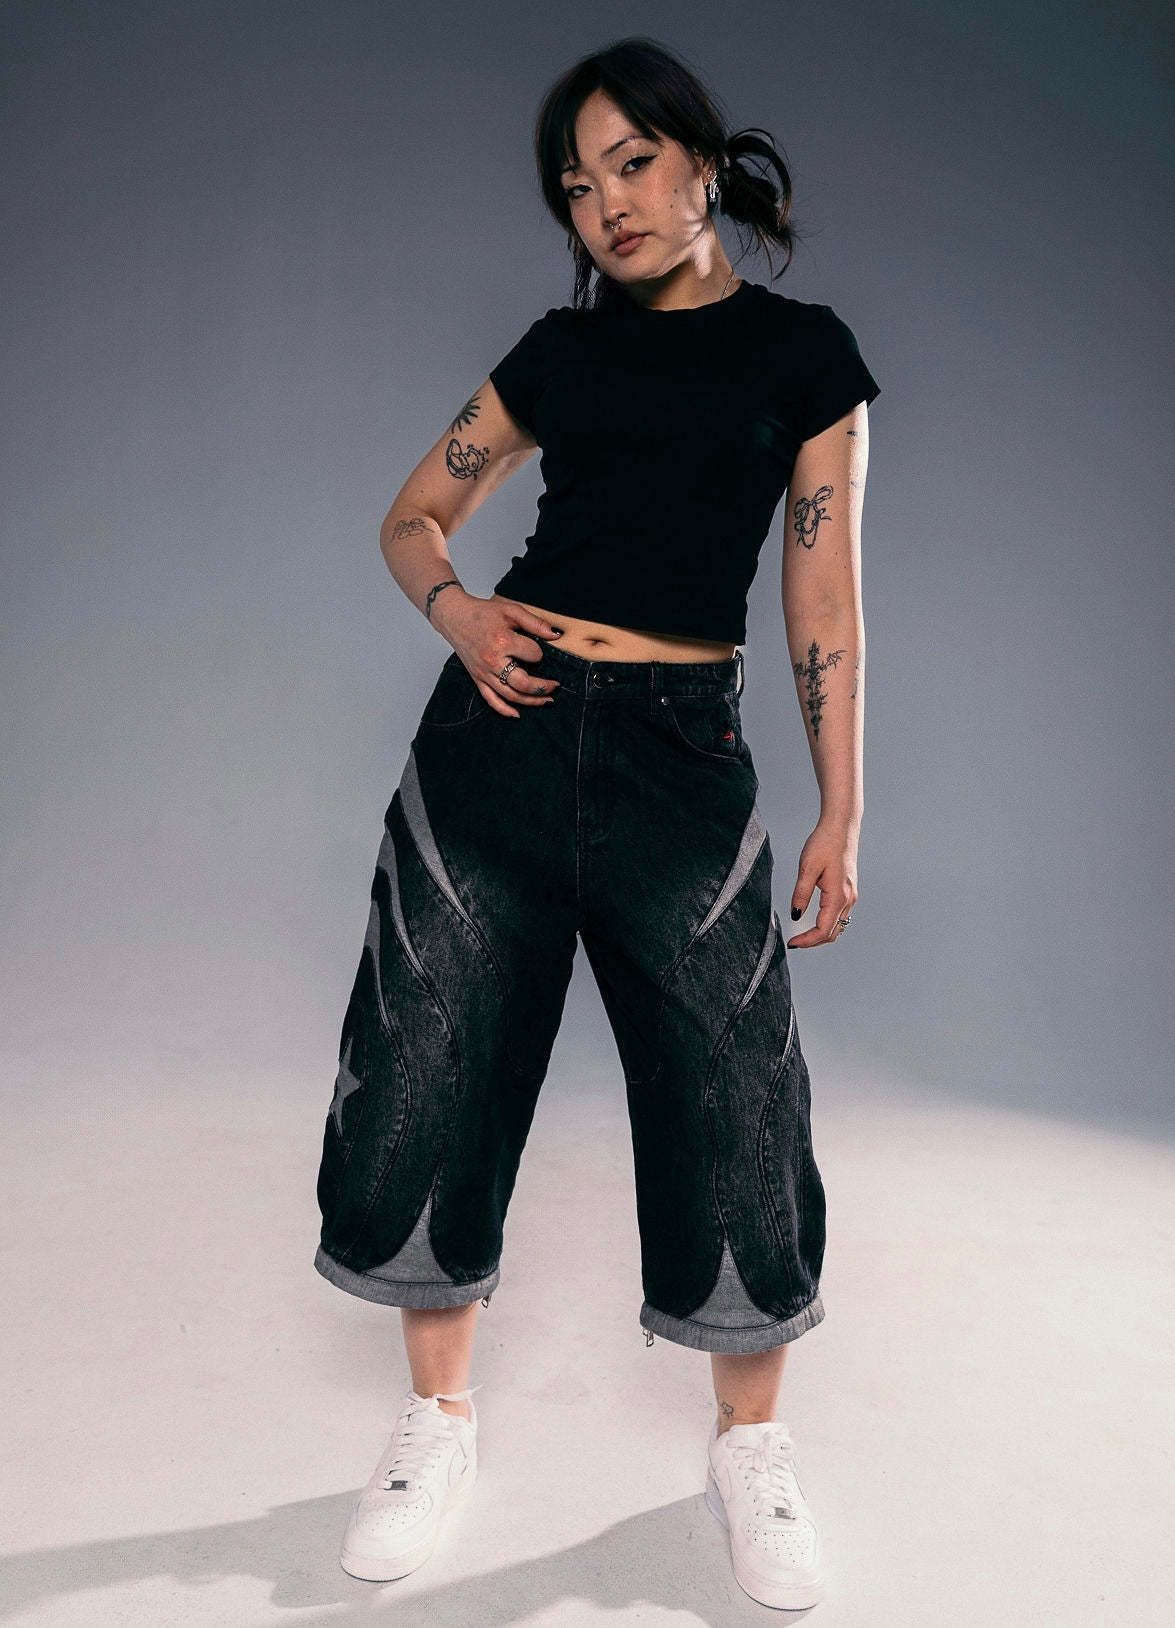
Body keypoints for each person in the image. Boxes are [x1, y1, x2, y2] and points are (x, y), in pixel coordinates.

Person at [313, 35, 880, 1612]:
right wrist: (459, 617)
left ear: (703, 162)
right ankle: (434, 1427)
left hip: (681, 759)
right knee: (431, 1058)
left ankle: (749, 1451)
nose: (606, 204)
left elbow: (822, 595)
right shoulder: (556, 357)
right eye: (576, 185)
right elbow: (412, 515)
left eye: (632, 163)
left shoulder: (805, 358)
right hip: (497, 739)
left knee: (734, 1094)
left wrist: (841, 805)